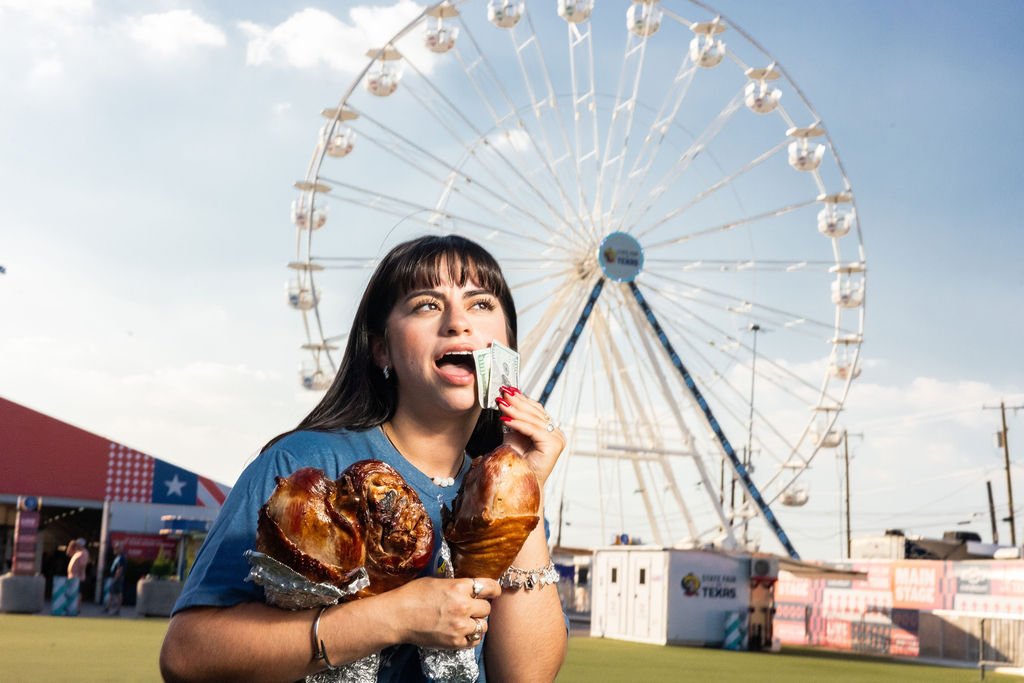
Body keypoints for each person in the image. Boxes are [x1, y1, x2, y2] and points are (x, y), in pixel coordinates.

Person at [161, 235, 568, 682]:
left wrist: (524, 486)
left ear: (506, 345)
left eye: (481, 305)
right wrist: (389, 617)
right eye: (427, 305)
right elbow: (186, 655)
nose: (458, 323)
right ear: (381, 349)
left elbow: (526, 677)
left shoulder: (490, 489)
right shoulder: (303, 468)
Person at [67, 537, 89, 615]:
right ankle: (72, 607)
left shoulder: (83, 553)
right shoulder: (78, 552)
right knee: (73, 593)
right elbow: (69, 553)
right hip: (73, 577)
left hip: (78, 577)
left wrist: (79, 576)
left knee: (78, 593)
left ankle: (77, 608)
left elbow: (82, 565)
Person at [107, 541, 127, 616]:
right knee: (112, 593)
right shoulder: (118, 557)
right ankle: (108, 607)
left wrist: (115, 578)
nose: (115, 549)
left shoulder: (121, 557)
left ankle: (118, 609)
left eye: (117, 548)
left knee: (118, 593)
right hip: (115, 577)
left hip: (118, 578)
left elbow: (120, 569)